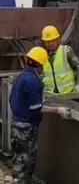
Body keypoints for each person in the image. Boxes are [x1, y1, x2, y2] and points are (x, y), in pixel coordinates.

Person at [9, 46, 71, 184]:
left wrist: (40, 101)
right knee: (26, 161)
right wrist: (58, 110)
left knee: (18, 159)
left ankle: (17, 179)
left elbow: (18, 99)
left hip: (16, 124)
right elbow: (36, 108)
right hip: (26, 128)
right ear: (41, 65)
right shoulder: (33, 81)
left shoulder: (22, 76)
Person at [41, 25, 79, 94]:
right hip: (50, 95)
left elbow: (78, 68)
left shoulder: (66, 51)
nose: (50, 43)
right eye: (47, 42)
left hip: (68, 93)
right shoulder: (42, 55)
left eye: (52, 41)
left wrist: (78, 84)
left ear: (58, 40)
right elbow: (41, 75)